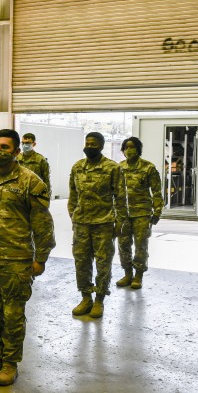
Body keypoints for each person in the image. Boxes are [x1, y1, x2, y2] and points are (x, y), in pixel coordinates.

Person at [0, 129, 55, 386]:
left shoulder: (30, 182)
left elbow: (43, 225)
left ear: (16, 152)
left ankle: (10, 363)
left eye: (5, 147)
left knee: (13, 314)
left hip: (16, 260)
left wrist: (41, 258)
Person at [68, 132, 129, 319]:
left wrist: (120, 221)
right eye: (87, 143)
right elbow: (73, 195)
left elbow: (120, 197)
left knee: (103, 264)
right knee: (82, 262)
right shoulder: (78, 167)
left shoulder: (112, 168)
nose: (89, 147)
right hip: (81, 224)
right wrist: (73, 214)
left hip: (103, 223)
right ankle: (85, 297)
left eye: (93, 144)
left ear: (101, 146)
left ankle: (99, 300)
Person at [116, 137, 163, 289]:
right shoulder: (118, 168)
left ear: (138, 149)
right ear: (123, 151)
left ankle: (138, 276)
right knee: (123, 245)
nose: (129, 150)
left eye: (132, 147)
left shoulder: (148, 168)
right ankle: (127, 273)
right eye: (126, 147)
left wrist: (157, 212)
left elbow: (156, 192)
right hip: (123, 214)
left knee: (140, 246)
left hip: (142, 214)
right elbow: (113, 192)